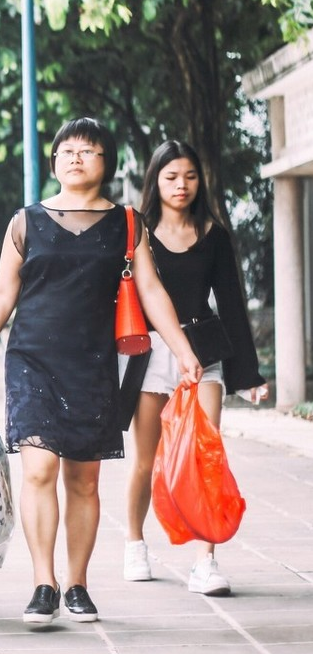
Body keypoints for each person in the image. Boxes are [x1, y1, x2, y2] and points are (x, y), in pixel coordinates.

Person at [0, 118, 202, 625]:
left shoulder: (127, 222)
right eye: (66, 150)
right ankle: (43, 584)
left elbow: (152, 291)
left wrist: (181, 349)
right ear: (54, 162)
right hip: (31, 358)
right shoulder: (25, 221)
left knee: (83, 481)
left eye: (87, 151)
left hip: (92, 362)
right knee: (39, 469)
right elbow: (4, 290)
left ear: (105, 164)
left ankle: (78, 584)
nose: (75, 157)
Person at [123, 140, 268, 596]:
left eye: (189, 176)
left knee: (205, 456)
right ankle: (135, 544)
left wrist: (249, 375)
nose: (181, 185)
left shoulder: (213, 233)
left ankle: (205, 562)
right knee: (147, 460)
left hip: (203, 354)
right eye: (170, 177)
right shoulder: (136, 231)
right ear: (156, 181)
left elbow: (231, 305)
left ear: (198, 180)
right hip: (150, 353)